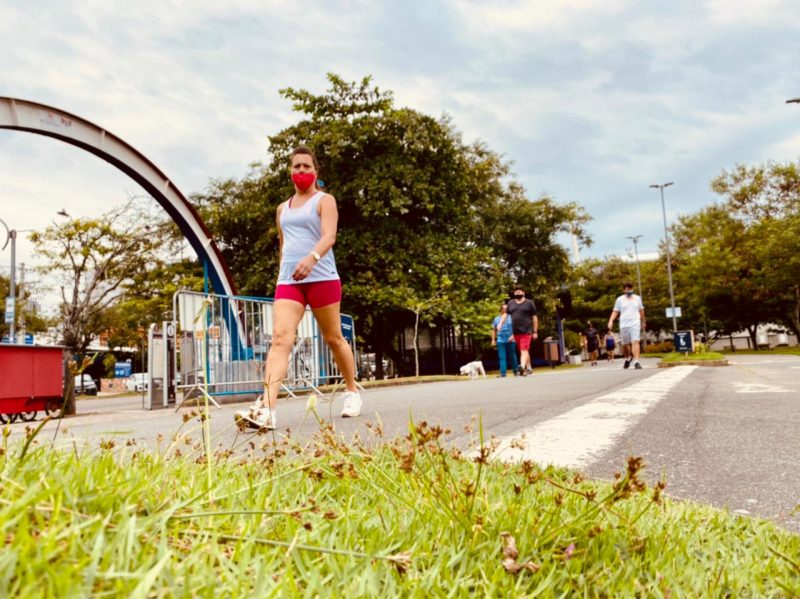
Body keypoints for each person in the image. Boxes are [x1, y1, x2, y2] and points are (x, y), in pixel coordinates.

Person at [235, 146, 362, 429]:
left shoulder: (324, 200)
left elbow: (330, 236)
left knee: (333, 338)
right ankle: (267, 410)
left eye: (306, 166)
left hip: (322, 277)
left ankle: (352, 390)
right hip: (290, 282)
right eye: (296, 166)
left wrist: (312, 258)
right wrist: (283, 273)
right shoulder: (282, 208)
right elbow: (284, 245)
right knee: (281, 339)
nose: (301, 171)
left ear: (315, 171)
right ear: (290, 171)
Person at [607, 282, 646, 370]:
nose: (629, 291)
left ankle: (637, 362)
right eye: (627, 289)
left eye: (631, 289)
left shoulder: (637, 298)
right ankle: (627, 358)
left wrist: (643, 321)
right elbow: (615, 311)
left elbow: (641, 310)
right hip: (624, 324)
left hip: (635, 322)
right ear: (624, 290)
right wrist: (611, 321)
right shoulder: (619, 300)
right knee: (625, 344)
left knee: (635, 341)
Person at [502, 286, 538, 376]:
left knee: (523, 349)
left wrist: (535, 331)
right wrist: (500, 323)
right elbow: (505, 314)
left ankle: (521, 366)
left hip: (527, 330)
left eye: (519, 292)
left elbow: (534, 318)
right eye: (516, 292)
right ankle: (529, 369)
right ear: (514, 294)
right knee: (524, 351)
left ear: (523, 292)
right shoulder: (511, 303)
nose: (518, 294)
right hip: (516, 331)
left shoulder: (529, 303)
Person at [491, 303, 519, 377]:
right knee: (502, 357)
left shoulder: (512, 317)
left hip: (511, 339)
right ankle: (503, 373)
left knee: (512, 356)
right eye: (504, 308)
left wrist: (513, 336)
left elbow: (516, 328)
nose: (506, 309)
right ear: (501, 309)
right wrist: (493, 340)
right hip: (501, 340)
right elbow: (493, 330)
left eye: (507, 308)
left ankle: (516, 371)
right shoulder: (496, 319)